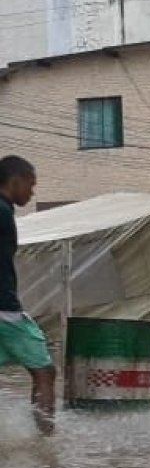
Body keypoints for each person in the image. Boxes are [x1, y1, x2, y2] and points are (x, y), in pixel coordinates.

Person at [0, 156, 55, 436]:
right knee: (44, 371)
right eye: (31, 185)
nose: (32, 193)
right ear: (16, 180)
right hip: (5, 309)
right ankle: (46, 441)